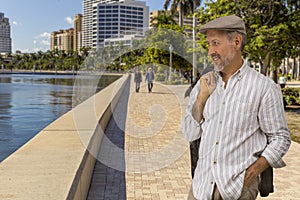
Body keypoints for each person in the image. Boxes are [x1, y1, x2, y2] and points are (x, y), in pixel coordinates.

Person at [181, 15, 291, 200]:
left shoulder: (263, 87)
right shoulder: (204, 85)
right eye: (209, 44)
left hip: (237, 190)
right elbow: (189, 134)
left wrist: (252, 173)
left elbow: (280, 138)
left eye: (215, 43)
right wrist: (201, 99)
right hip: (200, 188)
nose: (210, 51)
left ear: (237, 42)